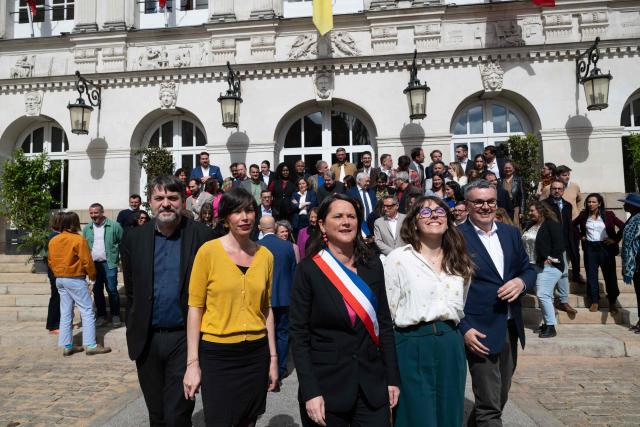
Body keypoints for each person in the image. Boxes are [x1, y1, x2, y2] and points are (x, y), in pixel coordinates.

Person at [289, 193, 400, 426]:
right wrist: (310, 391)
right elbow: (299, 336)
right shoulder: (308, 270)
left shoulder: (372, 264)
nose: (346, 222)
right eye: (338, 216)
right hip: (327, 387)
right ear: (322, 224)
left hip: (372, 386)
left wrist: (392, 378)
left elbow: (385, 325)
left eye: (351, 216)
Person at [121, 175, 216, 426]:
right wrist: (132, 326)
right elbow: (131, 292)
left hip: (185, 338)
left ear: (183, 201)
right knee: (157, 414)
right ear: (149, 202)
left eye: (173, 198)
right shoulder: (134, 238)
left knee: (178, 414)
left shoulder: (203, 236)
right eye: (159, 198)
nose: (166, 204)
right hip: (147, 339)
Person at [183, 188, 278, 426]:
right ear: (226, 217)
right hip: (218, 354)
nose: (244, 217)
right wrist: (192, 363)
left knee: (248, 420)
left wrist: (273, 358)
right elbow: (195, 308)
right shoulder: (208, 252)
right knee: (219, 420)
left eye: (249, 211)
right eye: (237, 212)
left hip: (256, 353)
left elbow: (266, 309)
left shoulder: (266, 255)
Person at [384, 195, 473, 427]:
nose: (433, 215)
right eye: (424, 212)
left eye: (440, 211)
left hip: (450, 343)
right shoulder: (398, 260)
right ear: (414, 222)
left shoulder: (459, 261)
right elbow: (388, 311)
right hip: (411, 342)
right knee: (416, 415)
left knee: (450, 413)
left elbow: (460, 304)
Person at [458, 179, 536, 426]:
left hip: (510, 326)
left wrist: (521, 283)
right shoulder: (455, 236)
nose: (485, 206)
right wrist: (464, 328)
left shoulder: (511, 233)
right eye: (478, 202)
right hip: (479, 329)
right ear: (467, 205)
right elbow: (445, 289)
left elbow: (528, 269)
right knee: (490, 405)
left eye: (490, 201)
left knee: (500, 396)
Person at [48, 212, 111, 356]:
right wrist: (92, 276)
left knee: (65, 312)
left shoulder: (54, 240)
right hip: (75, 278)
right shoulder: (78, 239)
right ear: (74, 223)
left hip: (60, 278)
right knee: (87, 310)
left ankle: (67, 345)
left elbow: (50, 261)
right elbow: (87, 261)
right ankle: (90, 345)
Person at [258, 216, 298, 382]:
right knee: (282, 334)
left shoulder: (256, 246)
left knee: (265, 334)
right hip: (284, 297)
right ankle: (280, 368)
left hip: (263, 298)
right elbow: (294, 274)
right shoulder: (288, 246)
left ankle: (266, 368)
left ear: (260, 228)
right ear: (274, 227)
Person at [573, 193, 625, 313]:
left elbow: (623, 226)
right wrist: (581, 236)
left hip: (606, 248)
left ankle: (612, 301)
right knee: (591, 276)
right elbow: (572, 226)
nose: (590, 204)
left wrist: (615, 239)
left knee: (610, 276)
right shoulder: (583, 215)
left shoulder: (608, 215)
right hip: (590, 248)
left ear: (599, 203)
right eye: (589, 202)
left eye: (593, 202)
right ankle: (594, 301)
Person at [522, 202, 564, 338]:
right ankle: (546, 324)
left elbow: (560, 244)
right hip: (534, 266)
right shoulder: (530, 225)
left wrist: (550, 258)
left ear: (541, 211)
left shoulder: (551, 224)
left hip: (549, 266)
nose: (530, 213)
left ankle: (551, 327)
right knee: (543, 296)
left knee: (542, 294)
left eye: (532, 210)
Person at [82, 203, 124, 327]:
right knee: (97, 290)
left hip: (109, 263)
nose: (93, 215)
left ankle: (115, 315)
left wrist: (120, 259)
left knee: (112, 289)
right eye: (91, 213)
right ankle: (101, 316)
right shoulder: (87, 228)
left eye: (96, 212)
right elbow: (84, 247)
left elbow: (122, 242)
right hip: (93, 265)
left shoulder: (114, 226)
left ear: (102, 212)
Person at [542, 179, 578, 315]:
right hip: (549, 244)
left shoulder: (568, 205)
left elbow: (569, 226)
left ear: (563, 190)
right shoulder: (544, 204)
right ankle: (550, 301)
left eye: (559, 189)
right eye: (554, 188)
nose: (557, 191)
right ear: (550, 190)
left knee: (563, 273)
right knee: (549, 272)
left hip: (563, 244)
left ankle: (563, 301)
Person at [550, 165, 584, 283]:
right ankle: (558, 275)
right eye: (564, 175)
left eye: (568, 174)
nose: (567, 177)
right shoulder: (550, 188)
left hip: (573, 223)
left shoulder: (574, 186)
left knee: (574, 250)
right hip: (556, 225)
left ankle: (576, 274)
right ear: (557, 176)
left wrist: (578, 213)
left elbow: (580, 200)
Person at [620, 193, 640, 333]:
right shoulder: (632, 218)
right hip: (634, 262)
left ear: (633, 206)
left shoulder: (638, 219)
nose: (623, 205)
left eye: (626, 203)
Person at [45, 211, 64, 334]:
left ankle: (59, 323)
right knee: (56, 297)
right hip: (56, 272)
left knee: (60, 298)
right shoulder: (54, 236)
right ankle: (53, 325)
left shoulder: (57, 235)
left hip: (57, 272)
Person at [500, 161, 525, 227]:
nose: (507, 169)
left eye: (509, 168)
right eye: (506, 168)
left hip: (515, 208)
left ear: (513, 169)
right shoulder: (500, 180)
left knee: (516, 227)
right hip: (504, 209)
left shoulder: (519, 180)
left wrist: (522, 212)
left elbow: (522, 196)